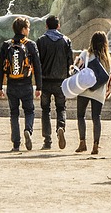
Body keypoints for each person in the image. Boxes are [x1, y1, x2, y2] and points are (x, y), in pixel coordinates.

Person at [0, 16, 42, 152]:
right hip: (26, 85)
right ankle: (28, 129)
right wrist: (39, 87)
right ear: (23, 29)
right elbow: (37, 67)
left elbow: (0, 67)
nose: (29, 30)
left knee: (14, 114)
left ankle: (16, 144)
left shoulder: (6, 45)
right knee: (29, 111)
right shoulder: (30, 45)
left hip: (12, 85)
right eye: (28, 27)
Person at [36, 14, 73, 149]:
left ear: (46, 26)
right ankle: (60, 128)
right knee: (61, 108)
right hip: (61, 82)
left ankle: (47, 141)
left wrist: (37, 82)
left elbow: (37, 63)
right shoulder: (66, 41)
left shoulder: (41, 41)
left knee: (45, 110)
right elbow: (70, 63)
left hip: (45, 81)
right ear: (58, 26)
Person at [73, 31, 111, 155]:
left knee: (81, 115)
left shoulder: (85, 54)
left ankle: (82, 142)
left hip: (84, 89)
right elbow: (109, 77)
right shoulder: (107, 59)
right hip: (98, 91)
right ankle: (96, 145)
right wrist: (108, 91)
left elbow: (76, 68)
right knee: (96, 117)